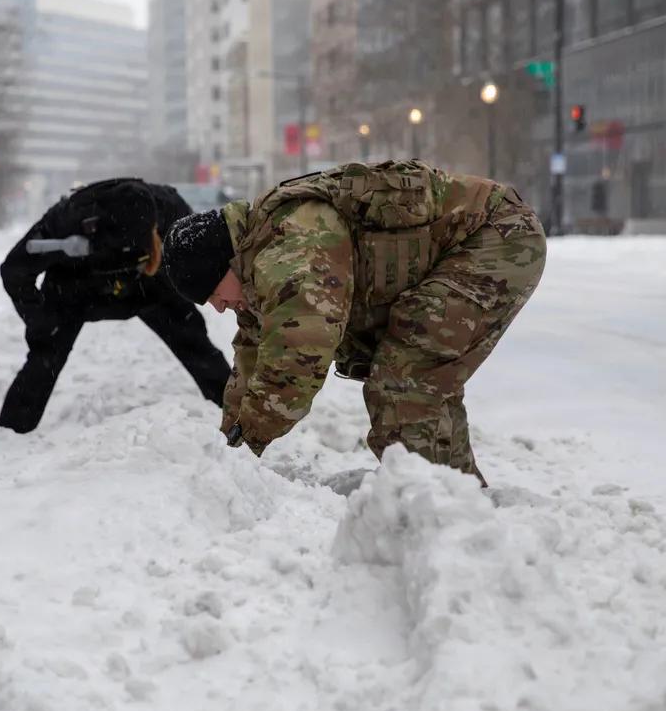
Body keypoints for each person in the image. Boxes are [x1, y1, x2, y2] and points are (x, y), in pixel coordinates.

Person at [160, 159, 547, 486]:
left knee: (402, 383)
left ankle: (444, 515)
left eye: (212, 294)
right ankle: (458, 504)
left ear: (224, 264)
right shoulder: (257, 259)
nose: (220, 308)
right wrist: (228, 450)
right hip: (483, 237)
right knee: (417, 382)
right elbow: (252, 362)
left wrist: (247, 442)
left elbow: (296, 362)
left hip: (496, 236)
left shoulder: (292, 248)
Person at [0, 178, 230, 433]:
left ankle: (237, 414)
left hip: (148, 284)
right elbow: (14, 270)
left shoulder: (170, 208)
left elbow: (198, 258)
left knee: (194, 342)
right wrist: (39, 321)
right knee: (44, 358)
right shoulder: (66, 221)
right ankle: (10, 433)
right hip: (76, 287)